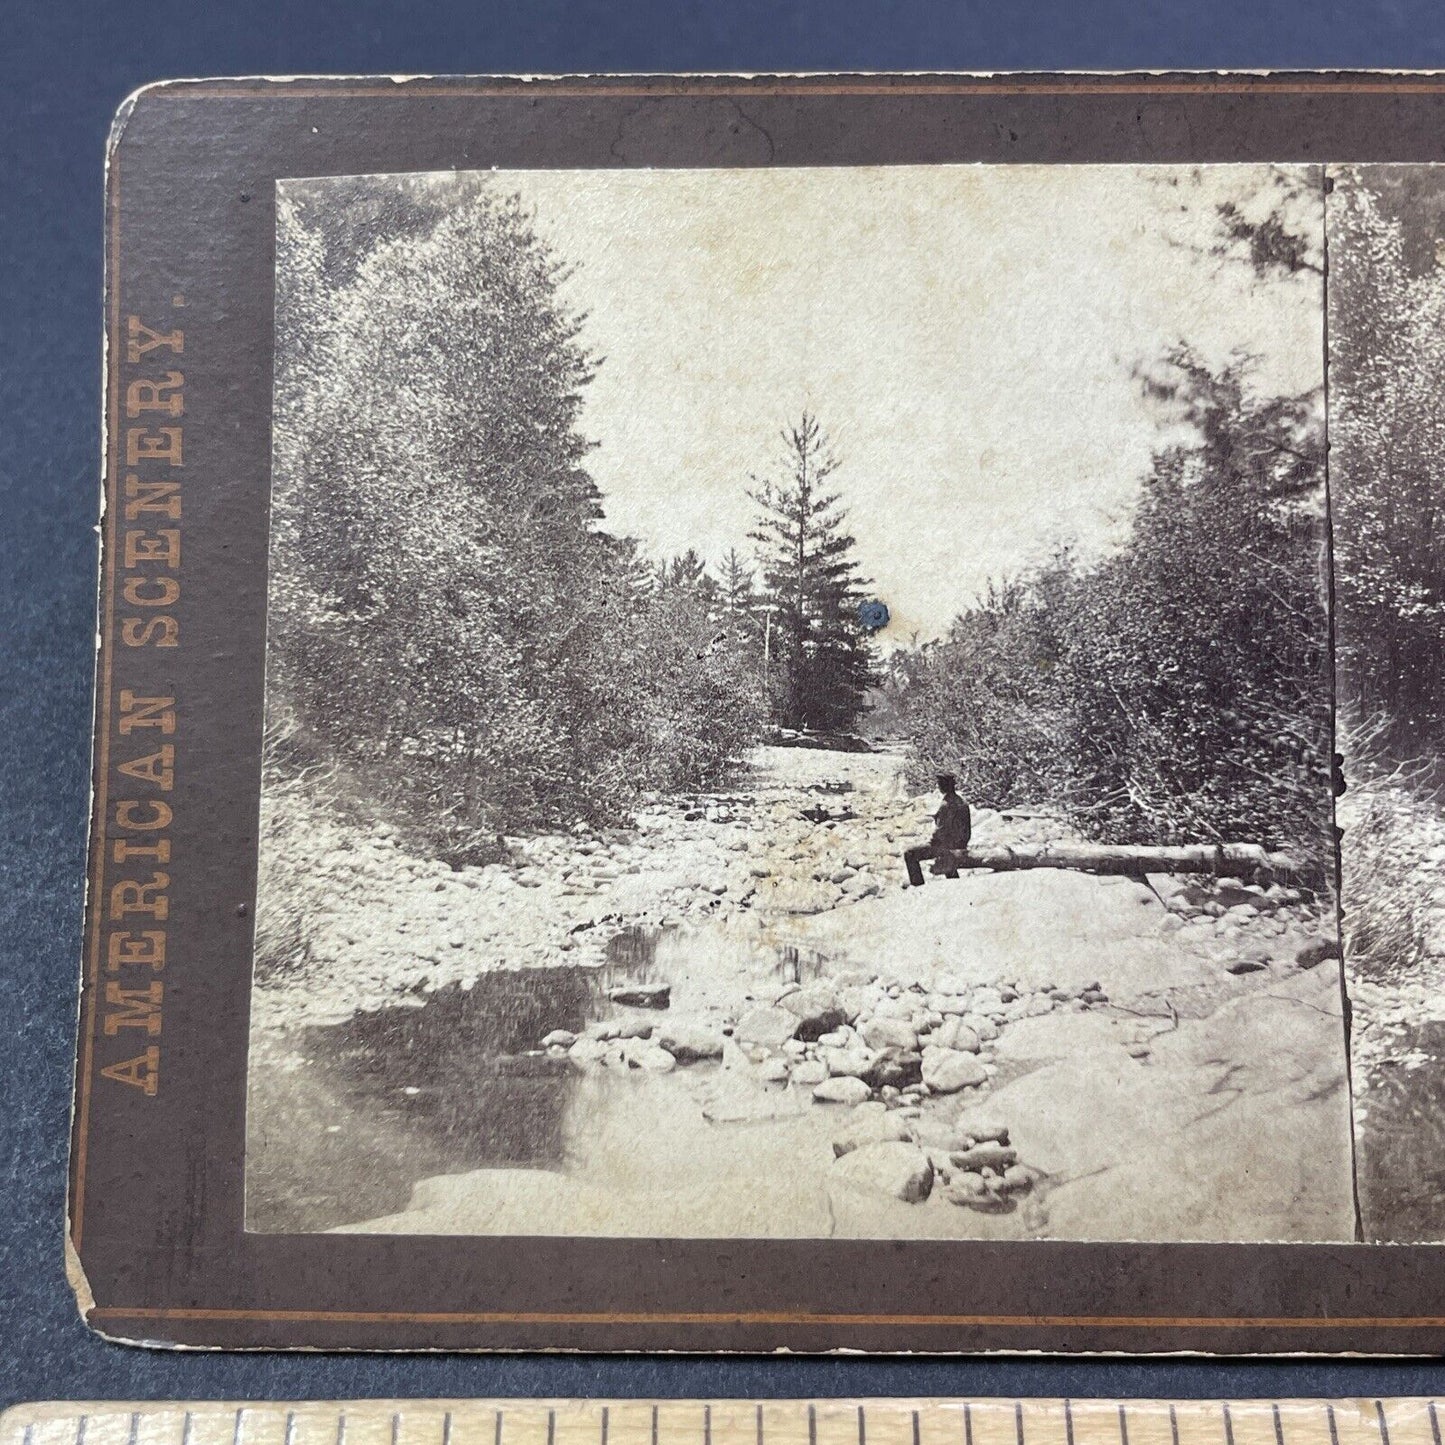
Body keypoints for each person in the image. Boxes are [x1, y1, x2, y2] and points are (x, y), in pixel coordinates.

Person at [903, 774, 972, 888]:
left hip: (948, 847)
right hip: (959, 843)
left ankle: (918, 887)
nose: (938, 786)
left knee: (910, 853)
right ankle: (953, 882)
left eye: (940, 784)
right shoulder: (962, 802)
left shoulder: (946, 805)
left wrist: (931, 840)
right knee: (945, 850)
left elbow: (941, 832)